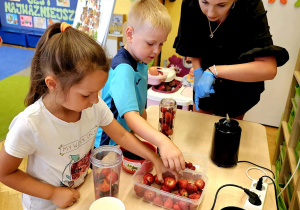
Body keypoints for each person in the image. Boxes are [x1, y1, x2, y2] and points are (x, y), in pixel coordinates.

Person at [0, 22, 176, 210]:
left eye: (98, 92)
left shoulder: (93, 105)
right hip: (47, 205)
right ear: (53, 84)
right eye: (86, 94)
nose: (95, 100)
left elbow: (122, 136)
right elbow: (5, 173)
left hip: (82, 195)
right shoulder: (29, 124)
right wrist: (52, 193)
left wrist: (155, 158)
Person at [95, 0, 185, 171]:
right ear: (130, 34)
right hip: (109, 147)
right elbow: (132, 116)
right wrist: (162, 141)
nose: (156, 51)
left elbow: (139, 107)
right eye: (150, 43)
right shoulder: (123, 69)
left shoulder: (140, 61)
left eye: (161, 44)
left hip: (128, 138)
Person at [174, 0, 289, 120]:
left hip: (239, 83)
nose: (211, 13)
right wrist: (198, 72)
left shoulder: (250, 5)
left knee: (228, 132)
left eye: (221, 5)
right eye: (204, 2)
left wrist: (214, 71)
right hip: (204, 78)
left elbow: (269, 69)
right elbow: (192, 45)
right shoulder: (190, 3)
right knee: (199, 128)